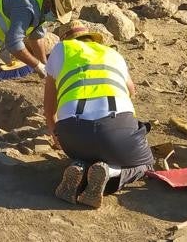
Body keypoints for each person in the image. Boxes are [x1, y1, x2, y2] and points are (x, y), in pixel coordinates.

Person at [46, 20, 152, 208]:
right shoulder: (113, 54)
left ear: (65, 39)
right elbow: (132, 91)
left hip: (73, 135)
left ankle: (80, 165)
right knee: (145, 164)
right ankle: (109, 171)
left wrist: (56, 135)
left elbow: (49, 107)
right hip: (117, 132)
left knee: (89, 151)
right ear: (90, 37)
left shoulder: (61, 50)